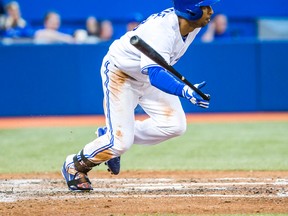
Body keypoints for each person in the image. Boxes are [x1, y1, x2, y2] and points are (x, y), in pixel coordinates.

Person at [61, 0, 219, 191]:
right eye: (205, 6)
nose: (211, 10)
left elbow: (155, 72)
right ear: (190, 10)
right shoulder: (163, 30)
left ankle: (108, 134)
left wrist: (184, 89)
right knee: (119, 143)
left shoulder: (192, 25)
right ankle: (74, 165)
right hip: (122, 74)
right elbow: (155, 74)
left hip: (148, 74)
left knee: (175, 126)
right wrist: (185, 90)